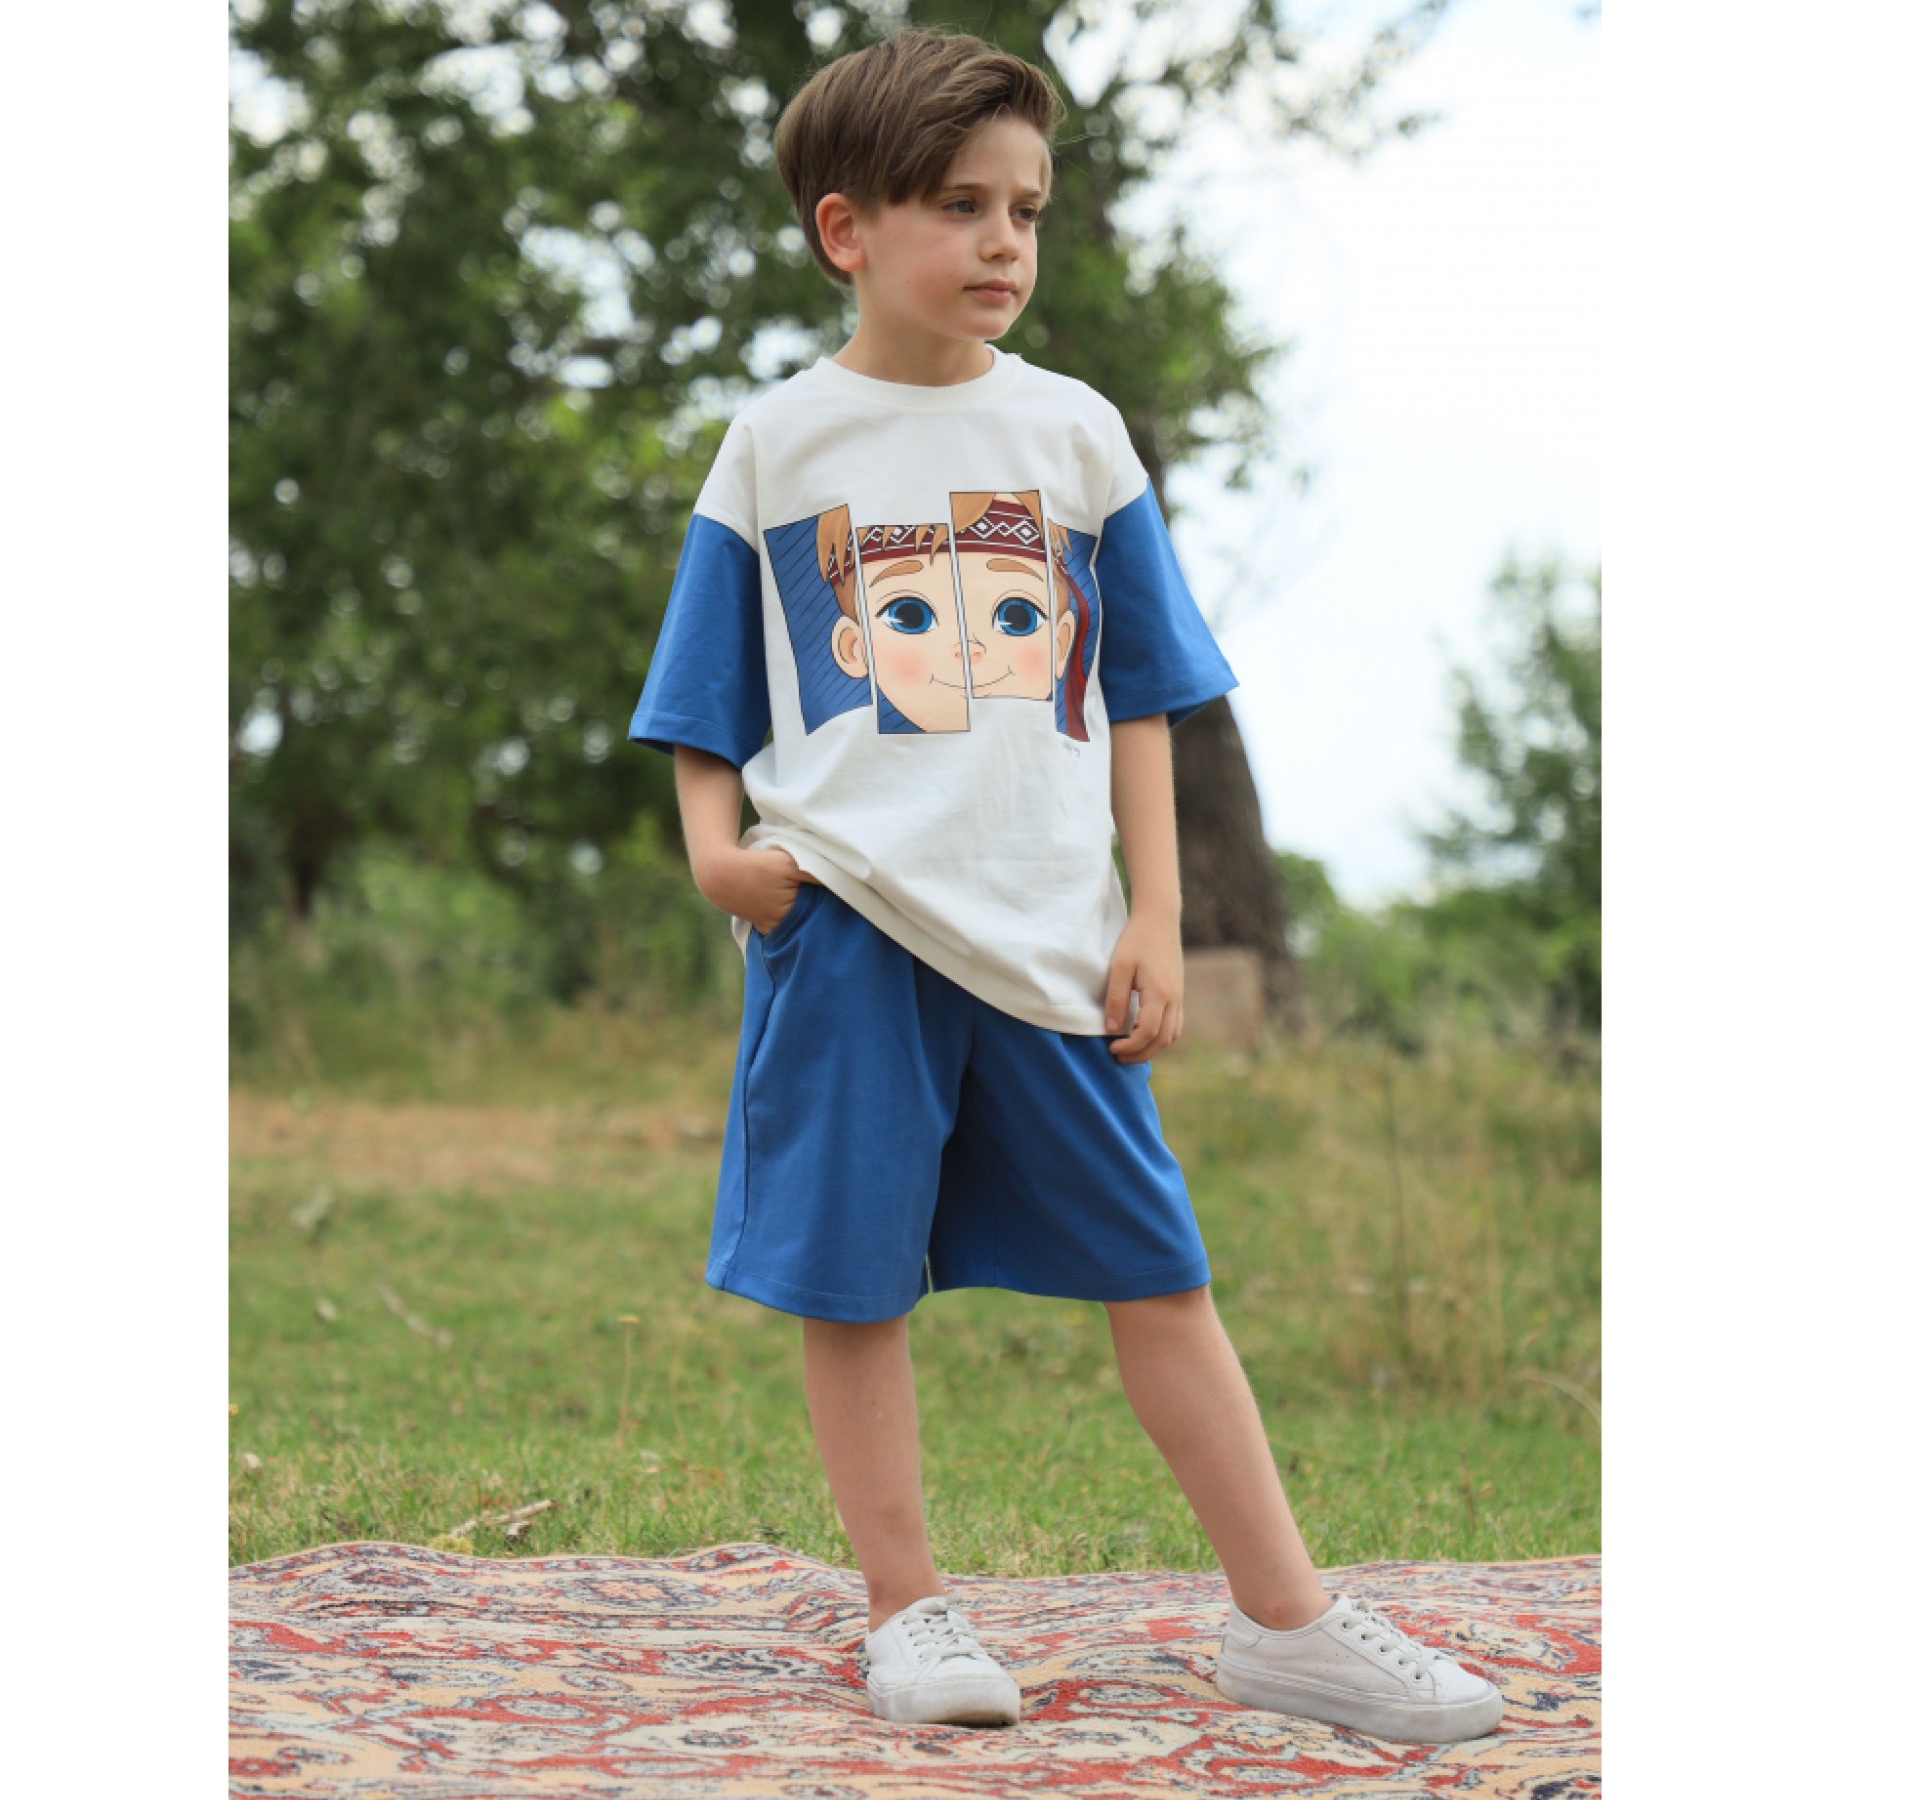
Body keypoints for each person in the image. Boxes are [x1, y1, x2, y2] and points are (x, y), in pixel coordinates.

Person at [625, 26, 1504, 1746]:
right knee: (853, 1281)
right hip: (849, 923)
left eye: (1026, 208)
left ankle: (1288, 1620)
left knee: (1160, 1270)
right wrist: (717, 852)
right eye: (962, 206)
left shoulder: (1077, 435)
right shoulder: (778, 444)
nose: (1005, 241)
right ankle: (908, 1614)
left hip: (1049, 936)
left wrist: (1156, 916)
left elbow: (1149, 692)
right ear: (845, 228)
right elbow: (701, 695)